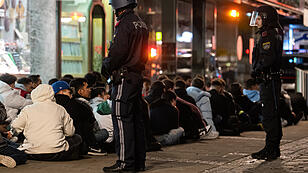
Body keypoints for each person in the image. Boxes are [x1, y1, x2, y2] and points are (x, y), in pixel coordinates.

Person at [101, 0, 149, 171]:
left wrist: (106, 66)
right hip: (136, 77)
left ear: (119, 6)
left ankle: (125, 163)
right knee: (136, 120)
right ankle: (138, 162)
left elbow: (118, 52)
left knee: (121, 119)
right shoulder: (141, 23)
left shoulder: (124, 24)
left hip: (124, 78)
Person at [11, 84, 82, 161]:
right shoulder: (60, 109)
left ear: (34, 94)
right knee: (77, 138)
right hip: (57, 153)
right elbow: (70, 132)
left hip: (32, 153)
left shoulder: (28, 109)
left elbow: (15, 126)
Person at [249, 5, 283, 161]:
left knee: (269, 115)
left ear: (266, 18)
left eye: (258, 18)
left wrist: (257, 70)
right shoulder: (274, 32)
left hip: (268, 80)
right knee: (272, 114)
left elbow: (267, 58)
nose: (256, 21)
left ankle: (271, 149)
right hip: (271, 79)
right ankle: (272, 147)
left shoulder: (267, 34)